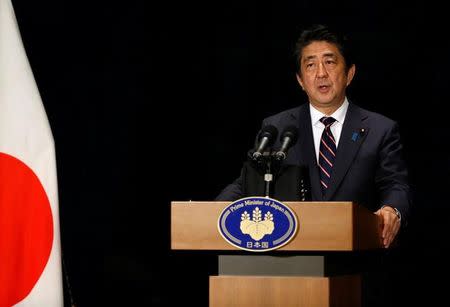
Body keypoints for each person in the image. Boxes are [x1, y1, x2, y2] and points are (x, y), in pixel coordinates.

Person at [215, 24, 411, 306]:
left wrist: (393, 209)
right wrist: (214, 214)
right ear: (300, 80)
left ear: (350, 73)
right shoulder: (278, 128)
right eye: (310, 64)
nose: (321, 72)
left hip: (357, 273)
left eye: (330, 62)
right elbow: (249, 181)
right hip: (289, 274)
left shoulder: (381, 129)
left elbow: (396, 184)